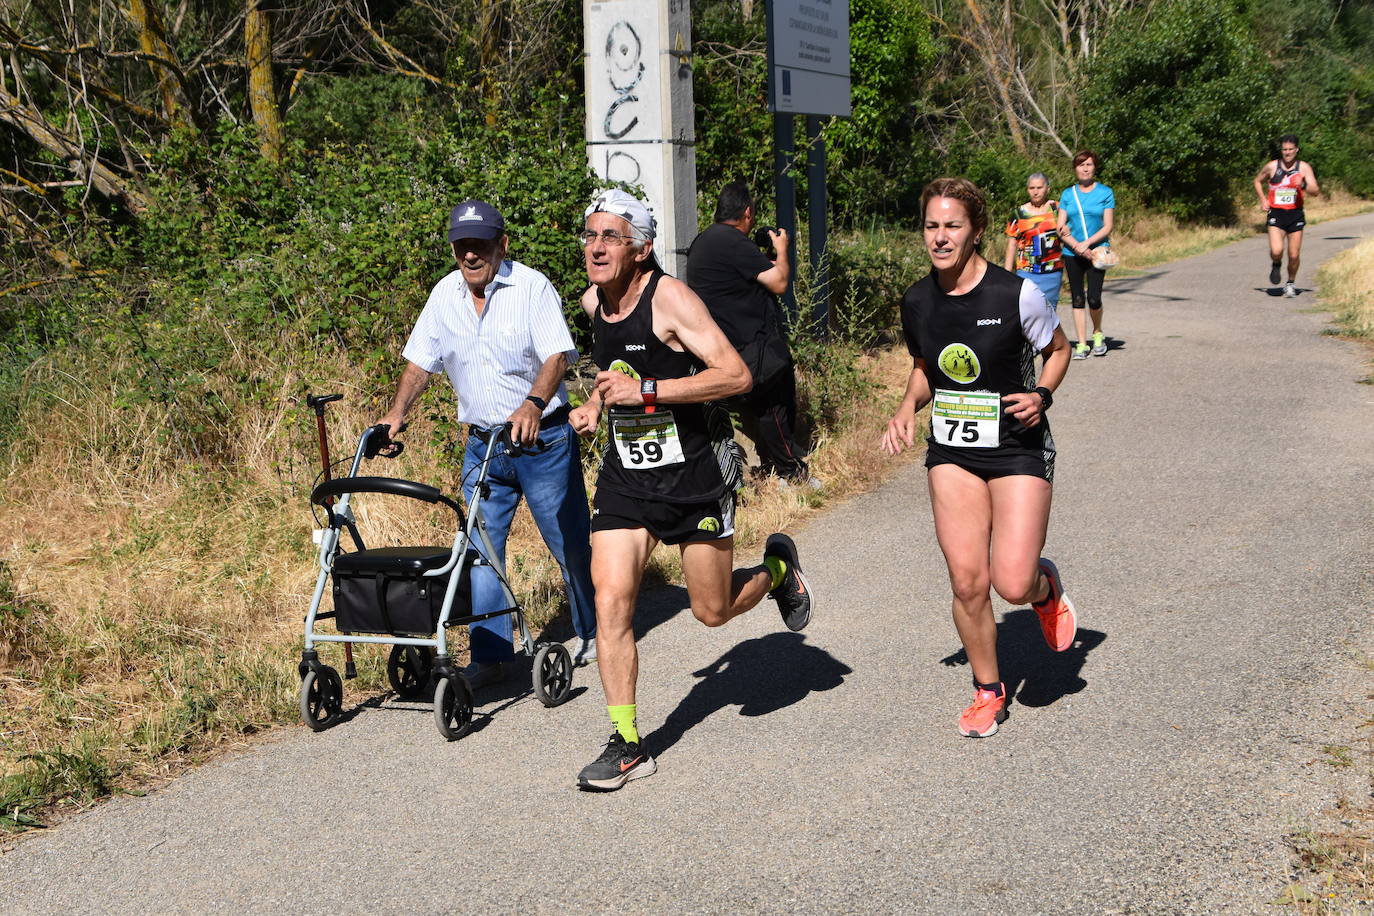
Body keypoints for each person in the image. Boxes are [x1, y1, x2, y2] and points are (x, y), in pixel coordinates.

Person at [568, 189, 815, 790]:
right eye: (590, 235)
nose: (596, 248)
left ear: (642, 248)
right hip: (628, 479)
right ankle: (627, 742)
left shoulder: (672, 299)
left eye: (611, 237)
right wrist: (595, 404)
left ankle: (778, 572)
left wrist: (647, 393)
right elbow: (614, 375)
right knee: (611, 600)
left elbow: (735, 375)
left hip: (695, 476)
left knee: (712, 611)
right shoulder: (592, 303)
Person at [882, 177, 1077, 738]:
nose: (940, 238)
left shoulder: (1016, 294)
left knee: (1010, 583)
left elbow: (1058, 350)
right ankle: (988, 689)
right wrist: (904, 410)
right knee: (969, 582)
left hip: (1016, 444)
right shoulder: (918, 299)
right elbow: (924, 369)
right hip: (953, 450)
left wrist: (1041, 394)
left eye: (952, 226)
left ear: (977, 231)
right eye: (931, 226)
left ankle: (1044, 588)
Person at [376, 199, 599, 687]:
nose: (470, 256)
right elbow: (420, 362)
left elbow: (558, 356)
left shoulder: (531, 287)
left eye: (479, 245)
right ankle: (495, 655)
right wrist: (396, 415)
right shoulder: (444, 295)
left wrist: (533, 404)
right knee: (479, 552)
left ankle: (592, 631)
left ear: (502, 244)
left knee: (567, 544)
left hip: (543, 441)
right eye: (462, 246)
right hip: (484, 447)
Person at [684, 181, 815, 487]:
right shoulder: (732, 241)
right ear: (747, 212)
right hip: (752, 345)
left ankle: (771, 466)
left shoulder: (705, 241)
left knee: (761, 409)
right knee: (774, 406)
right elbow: (780, 282)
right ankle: (791, 473)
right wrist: (782, 250)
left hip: (726, 344)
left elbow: (747, 277)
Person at [1056, 150, 1115, 359]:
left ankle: (1097, 332)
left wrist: (1087, 244)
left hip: (1097, 252)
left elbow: (1108, 226)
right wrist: (1076, 245)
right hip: (1072, 252)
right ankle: (1081, 344)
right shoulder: (1067, 194)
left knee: (1094, 298)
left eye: (1089, 164)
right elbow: (1060, 227)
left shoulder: (1105, 193)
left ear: (1094, 168)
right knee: (1078, 298)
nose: (1085, 168)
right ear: (1075, 169)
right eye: (1081, 165)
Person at [1254, 134, 1320, 298]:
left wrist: (1303, 184)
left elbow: (1316, 191)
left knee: (1294, 255)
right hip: (1276, 213)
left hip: (1295, 214)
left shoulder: (1303, 168)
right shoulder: (1272, 166)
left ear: (1296, 150)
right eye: (1284, 149)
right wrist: (1263, 200)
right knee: (1277, 251)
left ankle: (1290, 283)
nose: (1287, 153)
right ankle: (1276, 263)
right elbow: (1257, 181)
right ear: (1281, 150)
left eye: (1290, 149)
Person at [1004, 172, 1064, 309]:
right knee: (1027, 311)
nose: (1035, 192)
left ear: (1047, 189)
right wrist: (1006, 275)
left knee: (1049, 312)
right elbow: (1012, 244)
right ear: (1027, 190)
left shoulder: (1057, 209)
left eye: (1039, 187)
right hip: (1026, 272)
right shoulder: (1018, 214)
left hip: (1052, 272)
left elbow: (1068, 234)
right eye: (1032, 188)